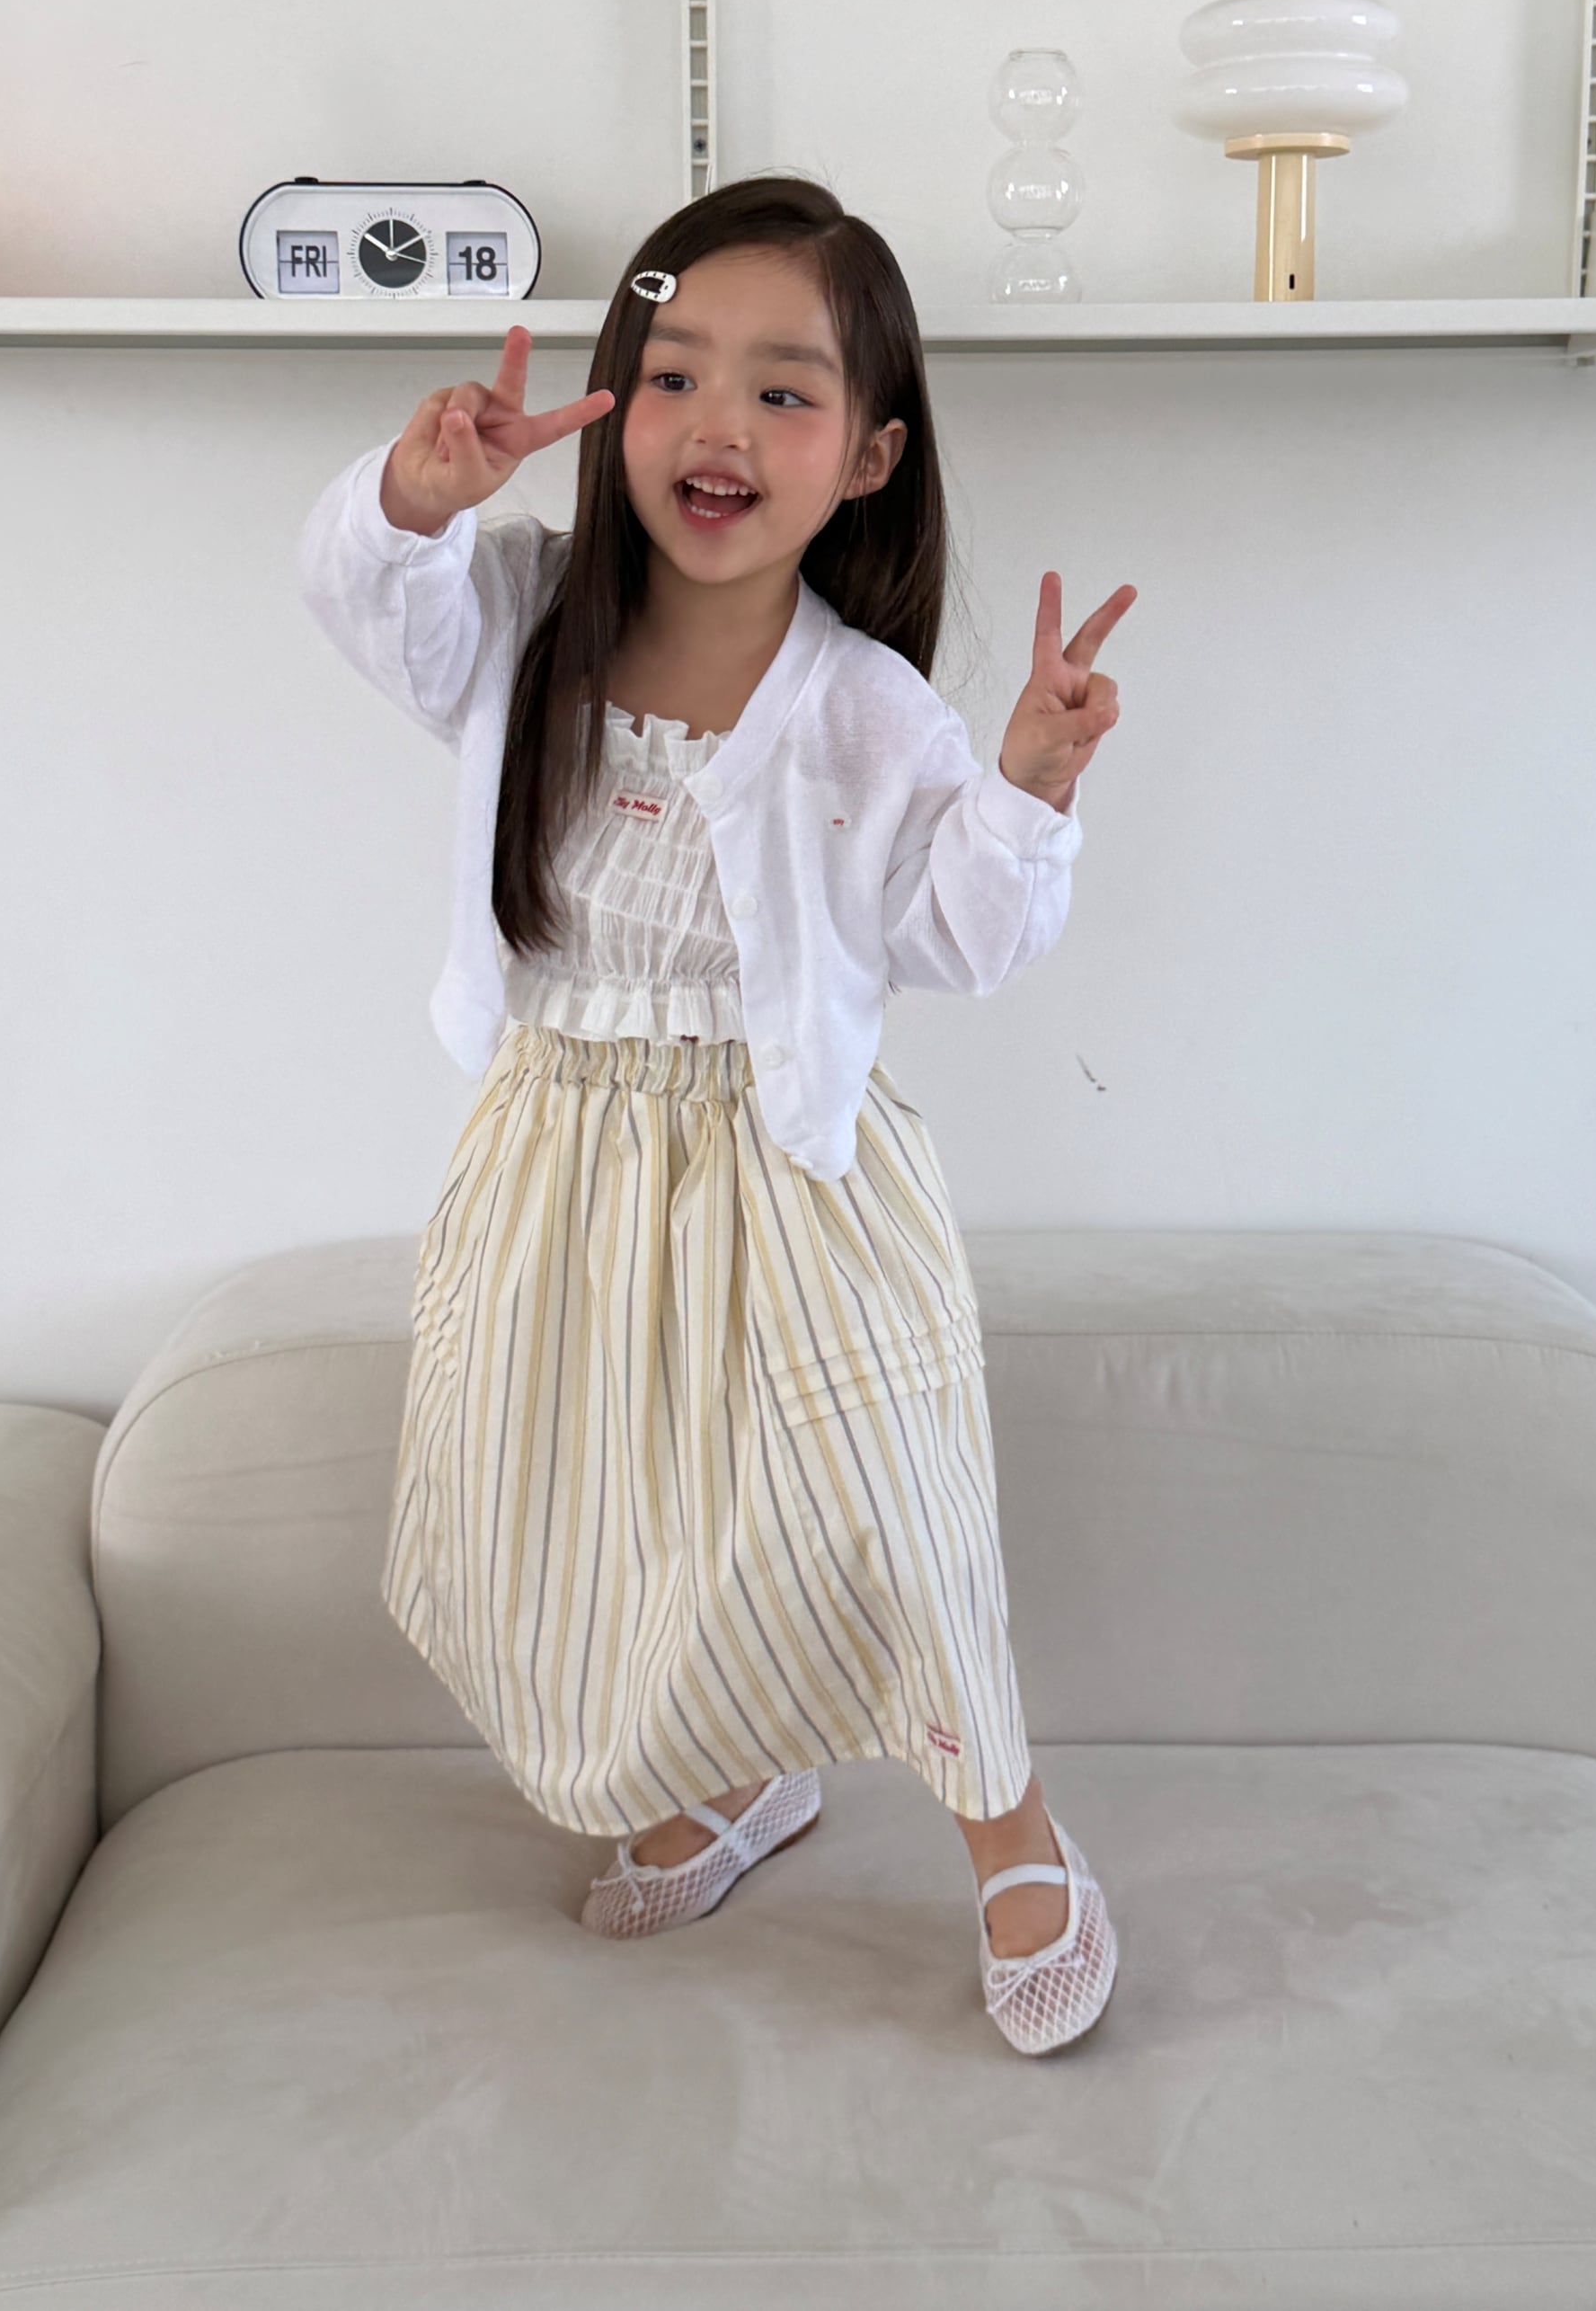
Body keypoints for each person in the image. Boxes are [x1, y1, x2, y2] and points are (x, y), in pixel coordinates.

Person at [297, 174, 1135, 2057]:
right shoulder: (520, 616)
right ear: (611, 406)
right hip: (555, 1161)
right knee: (609, 1505)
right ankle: (740, 1775)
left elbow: (957, 936)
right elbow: (369, 598)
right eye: (673, 374)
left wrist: (1024, 784)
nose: (717, 426)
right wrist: (417, 497)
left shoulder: (867, 711)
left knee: (889, 1512)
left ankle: (1012, 1826)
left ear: (869, 453)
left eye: (783, 390)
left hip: (791, 1172)